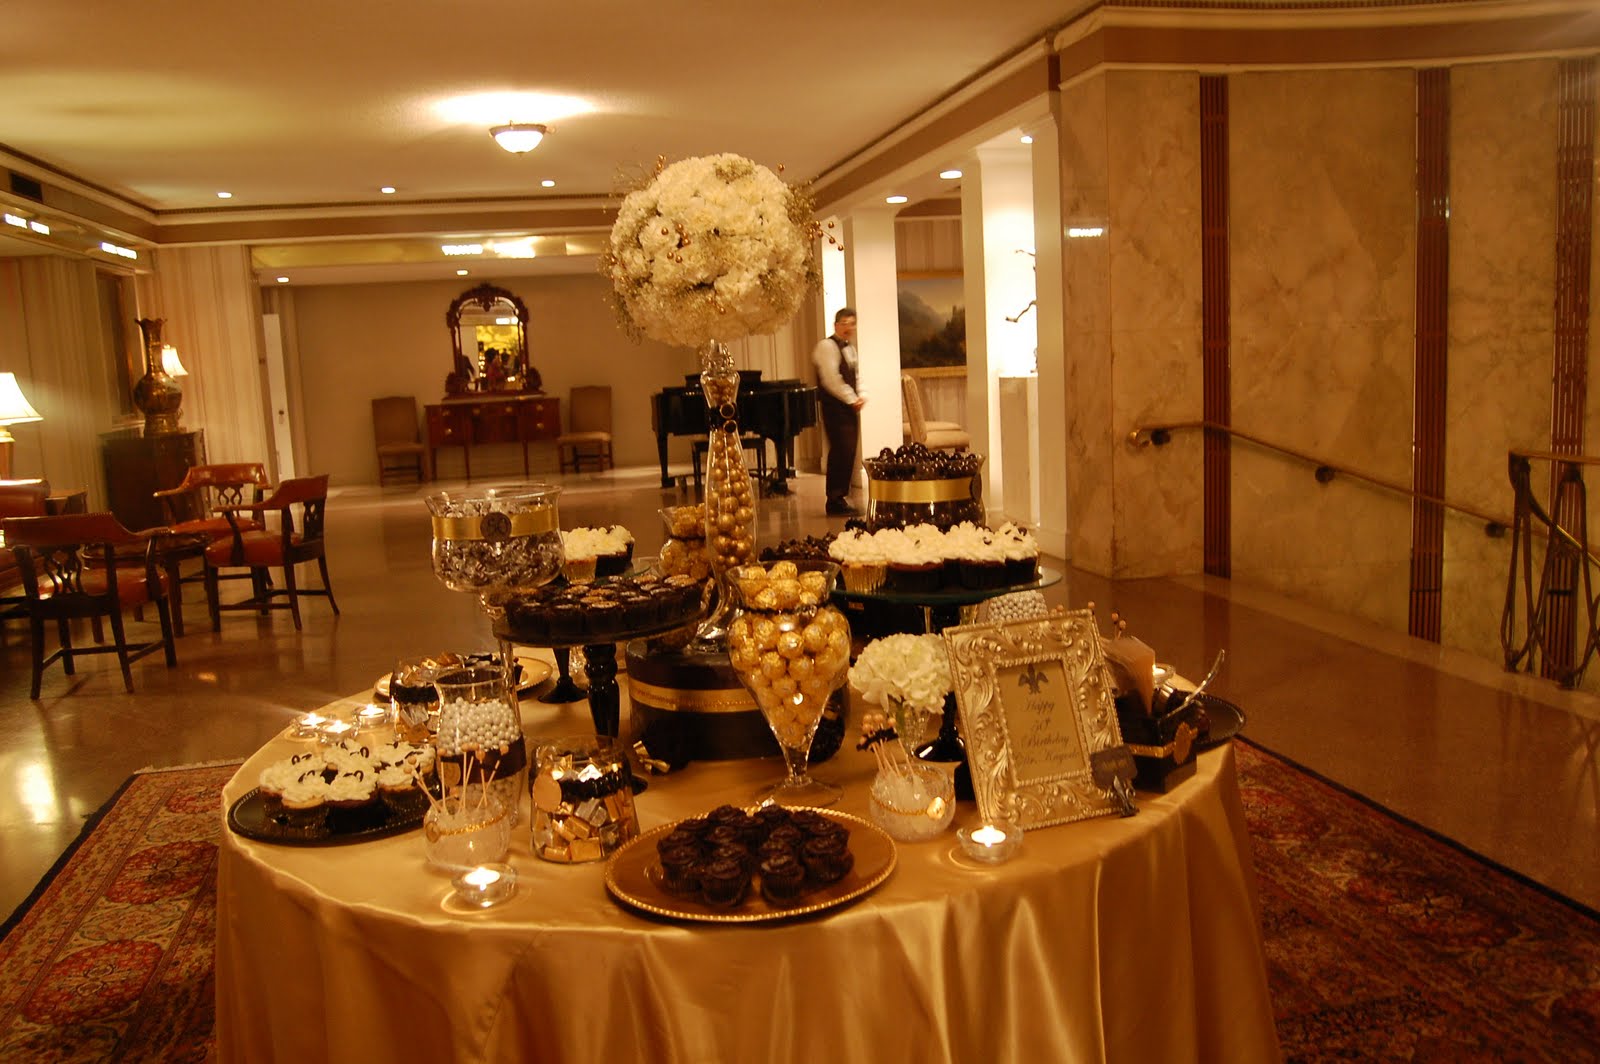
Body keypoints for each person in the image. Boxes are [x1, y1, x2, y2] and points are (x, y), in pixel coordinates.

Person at [812, 307, 865, 516]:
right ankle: (834, 500)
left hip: (849, 407)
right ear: (836, 325)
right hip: (835, 407)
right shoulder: (826, 346)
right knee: (840, 451)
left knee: (849, 451)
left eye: (852, 324)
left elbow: (855, 376)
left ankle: (841, 497)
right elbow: (831, 379)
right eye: (844, 324)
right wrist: (852, 398)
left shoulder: (850, 348)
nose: (849, 328)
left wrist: (860, 395)